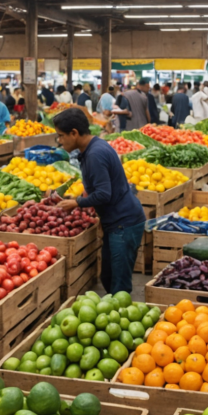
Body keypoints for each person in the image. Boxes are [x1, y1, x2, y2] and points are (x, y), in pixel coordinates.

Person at [54, 109, 145, 295]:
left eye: (61, 136)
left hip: (124, 222)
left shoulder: (95, 154)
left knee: (119, 284)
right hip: (116, 222)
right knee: (107, 276)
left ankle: (120, 318)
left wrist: (77, 203)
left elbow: (104, 194)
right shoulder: (92, 147)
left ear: (74, 133)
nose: (59, 141)